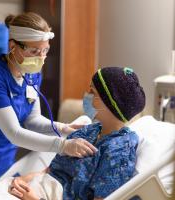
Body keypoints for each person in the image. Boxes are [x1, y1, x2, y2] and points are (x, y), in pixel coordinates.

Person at [0, 12, 97, 179]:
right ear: (13, 47)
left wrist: (62, 128)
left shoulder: (31, 74)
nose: (41, 58)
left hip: (5, 158)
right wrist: (63, 145)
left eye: (45, 50)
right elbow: (14, 132)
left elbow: (33, 120)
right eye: (34, 51)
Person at [8, 66, 146, 200]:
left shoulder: (119, 152)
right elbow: (48, 171)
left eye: (92, 92)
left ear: (109, 104)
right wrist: (19, 180)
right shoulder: (87, 131)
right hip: (32, 187)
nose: (86, 96)